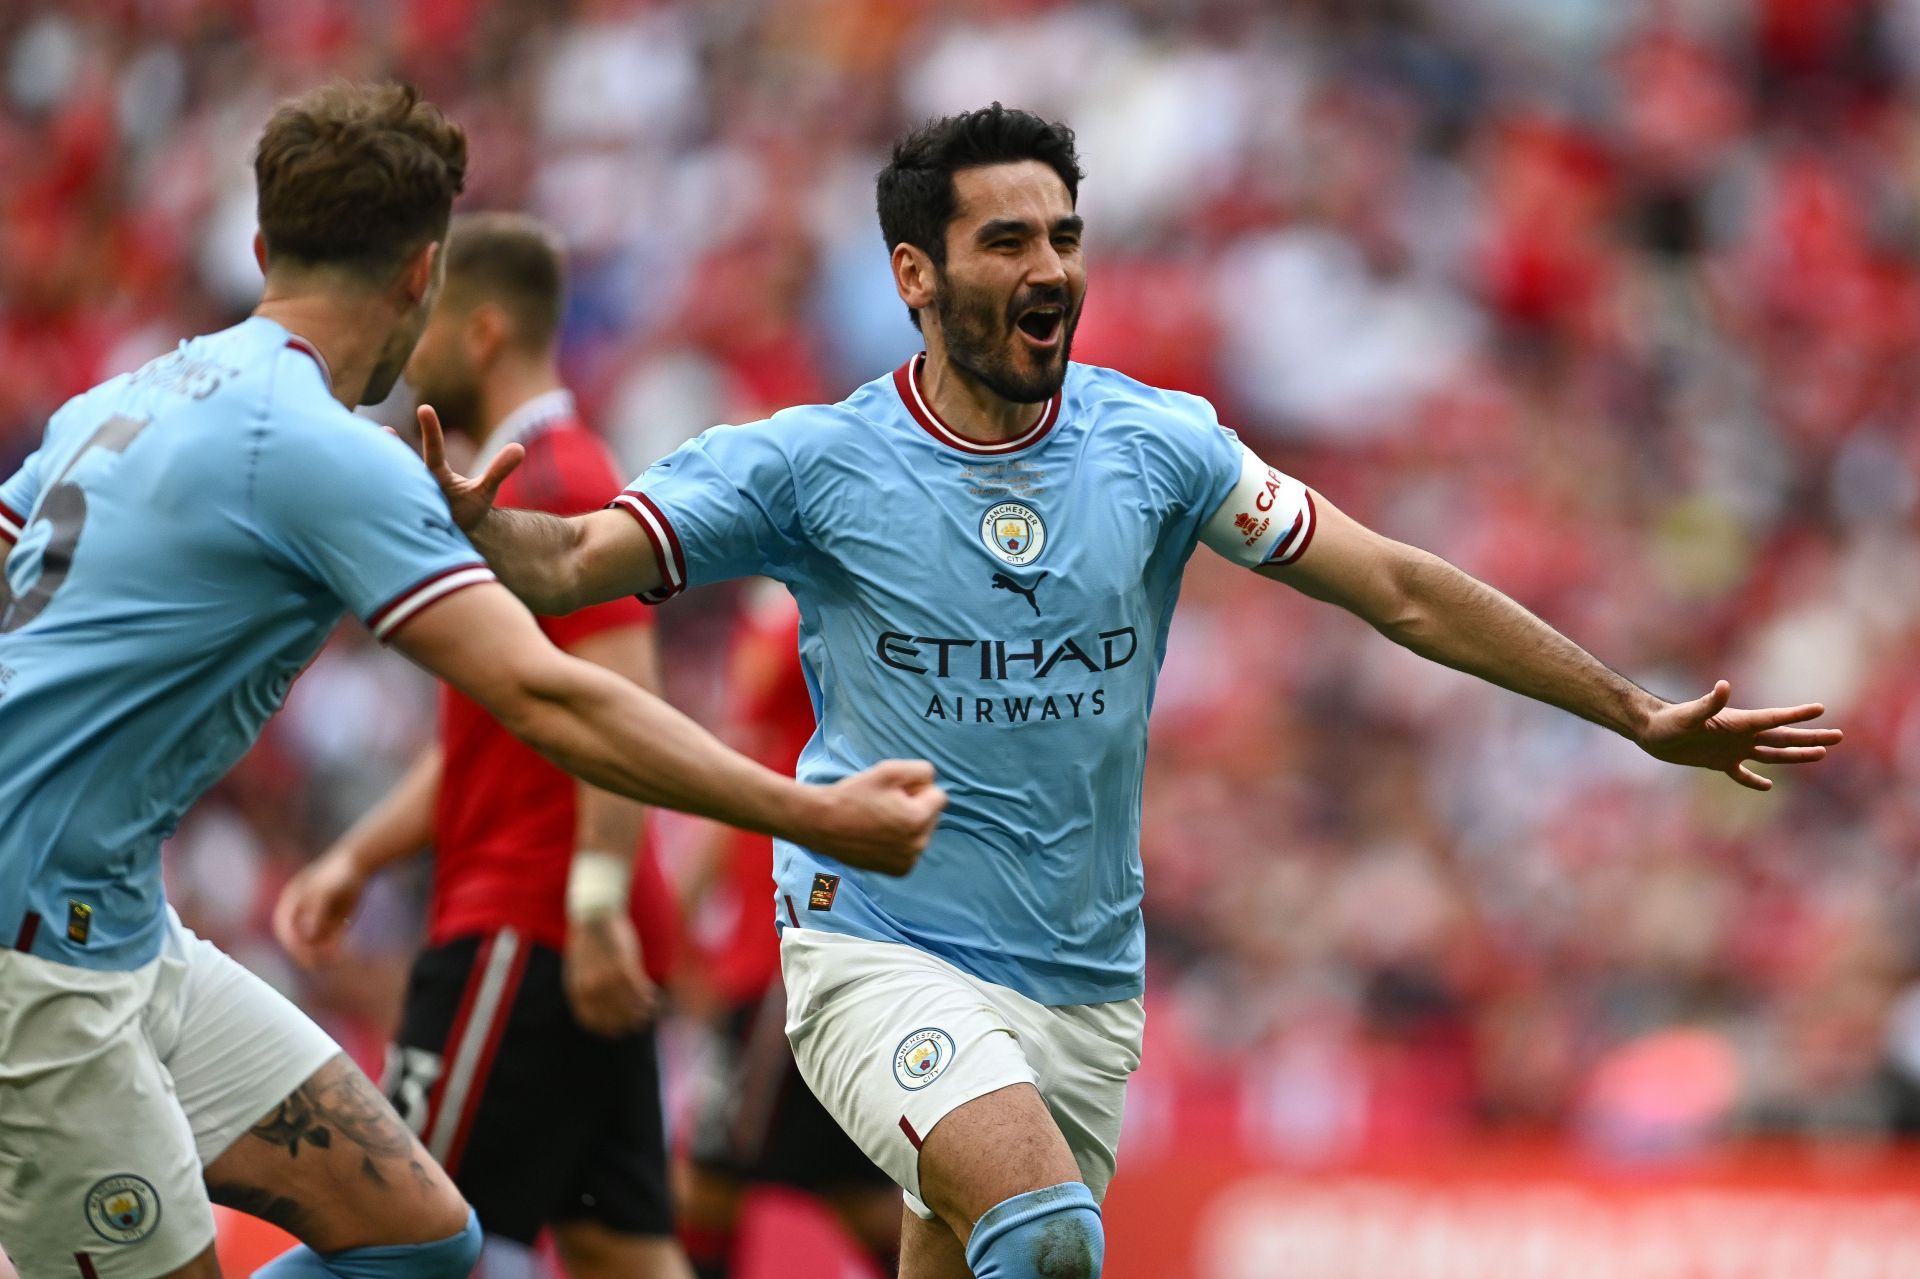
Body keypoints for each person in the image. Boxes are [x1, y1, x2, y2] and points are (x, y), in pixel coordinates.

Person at [417, 104, 1842, 1279]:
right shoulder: (812, 464)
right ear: (915, 274)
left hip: (1086, 978)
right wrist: (482, 531)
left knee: (979, 1249)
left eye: (1065, 236)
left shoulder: (1161, 444)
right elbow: (577, 558)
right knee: (1045, 1236)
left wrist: (1634, 711)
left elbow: (1394, 585)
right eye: (1007, 240)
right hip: (878, 948)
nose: (1050, 269)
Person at [0, 82, 943, 1279]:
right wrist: (817, 815)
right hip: (38, 959)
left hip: (124, 927)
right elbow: (552, 696)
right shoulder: (319, 448)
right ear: (421, 276)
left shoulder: (117, 399)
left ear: (259, 250)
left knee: (427, 1238)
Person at [273, 213, 692, 1279]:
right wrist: (357, 857)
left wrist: (593, 905)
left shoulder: (552, 477)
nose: (410, 347)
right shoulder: (543, 476)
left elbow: (620, 698)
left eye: (430, 320)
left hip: (530, 925)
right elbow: (494, 734)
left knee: (400, 1228)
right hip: (566, 929)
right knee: (619, 1251)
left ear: (486, 331)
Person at [675, 585, 901, 1279]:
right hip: (785, 940)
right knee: (852, 1189)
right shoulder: (773, 618)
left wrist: (676, 919)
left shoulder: (810, 610)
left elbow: (737, 782)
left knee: (707, 1183)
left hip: (793, 948)